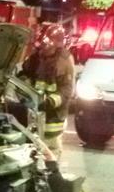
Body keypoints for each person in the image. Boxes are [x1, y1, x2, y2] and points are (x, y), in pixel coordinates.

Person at [19, 23, 75, 158]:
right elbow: (24, 73)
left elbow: (67, 90)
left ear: (57, 45)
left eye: (47, 45)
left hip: (53, 114)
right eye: (42, 44)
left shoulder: (65, 61)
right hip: (35, 109)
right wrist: (24, 85)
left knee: (51, 149)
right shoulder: (36, 57)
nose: (43, 48)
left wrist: (50, 101)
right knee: (33, 147)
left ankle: (53, 174)